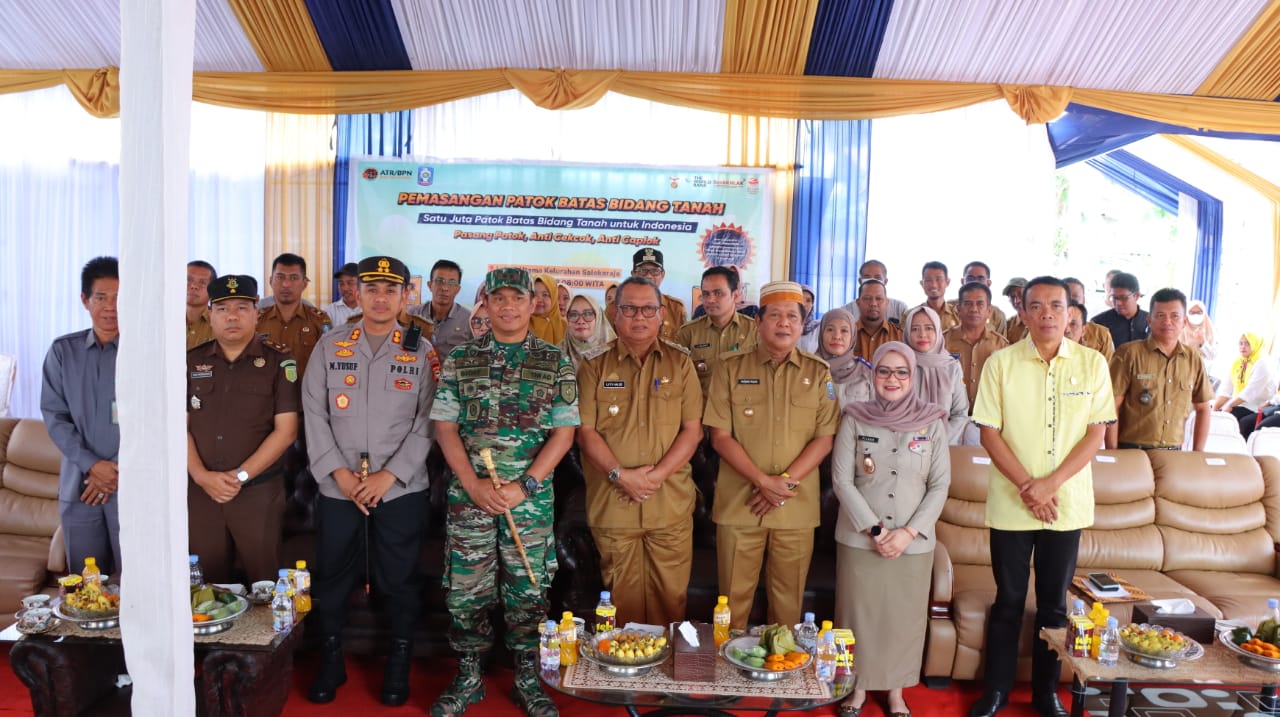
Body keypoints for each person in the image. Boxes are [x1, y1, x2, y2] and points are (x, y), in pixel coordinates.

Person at [430, 267, 579, 717]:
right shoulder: (460, 359)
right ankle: (470, 673)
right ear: (487, 305)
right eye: (500, 299)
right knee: (466, 589)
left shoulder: (555, 361)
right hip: (470, 498)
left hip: (528, 501)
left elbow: (564, 434)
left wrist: (525, 485)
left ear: (533, 304)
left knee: (529, 588)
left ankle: (528, 676)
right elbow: (445, 428)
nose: (509, 306)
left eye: (518, 298)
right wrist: (473, 484)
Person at [967, 276, 1115, 717]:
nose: (1047, 313)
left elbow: (1096, 433)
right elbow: (988, 432)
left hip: (1065, 506)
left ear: (1071, 312)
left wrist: (1049, 486)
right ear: (1024, 312)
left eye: (1056, 305)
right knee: (1008, 601)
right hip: (1012, 505)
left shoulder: (1092, 364)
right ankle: (995, 692)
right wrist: (1028, 488)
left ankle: (1046, 693)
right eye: (1037, 306)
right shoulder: (1001, 363)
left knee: (1054, 605)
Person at [302, 256, 439, 706]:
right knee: (332, 578)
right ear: (355, 293)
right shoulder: (329, 345)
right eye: (372, 289)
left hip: (399, 488)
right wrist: (338, 473)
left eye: (390, 291)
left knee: (398, 579)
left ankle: (397, 666)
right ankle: (331, 660)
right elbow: (314, 413)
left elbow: (430, 420)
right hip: (336, 486)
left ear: (405, 296)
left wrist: (389, 475)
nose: (380, 299)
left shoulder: (421, 349)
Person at [705, 281, 840, 628]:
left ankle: (781, 672)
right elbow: (720, 436)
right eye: (776, 315)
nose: (784, 323)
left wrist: (781, 485)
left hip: (794, 508)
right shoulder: (730, 368)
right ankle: (727, 671)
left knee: (788, 602)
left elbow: (824, 439)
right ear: (758, 322)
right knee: (731, 601)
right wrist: (762, 482)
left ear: (802, 324)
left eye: (792, 317)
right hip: (740, 503)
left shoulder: (818, 372)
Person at [832, 342, 951, 717]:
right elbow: (841, 481)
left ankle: (897, 692)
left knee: (903, 620)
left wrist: (908, 532)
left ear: (912, 376)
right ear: (872, 375)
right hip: (859, 540)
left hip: (913, 544)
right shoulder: (854, 417)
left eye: (901, 371)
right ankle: (857, 688)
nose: (892, 379)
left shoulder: (932, 420)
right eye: (884, 370)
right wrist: (877, 531)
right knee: (858, 617)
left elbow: (940, 485)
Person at [576, 277, 703, 626]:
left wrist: (656, 477)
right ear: (614, 314)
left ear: (661, 314)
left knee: (671, 598)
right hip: (614, 504)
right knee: (622, 601)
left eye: (648, 308)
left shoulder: (680, 364)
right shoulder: (593, 366)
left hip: (670, 503)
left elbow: (693, 430)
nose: (638, 316)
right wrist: (621, 475)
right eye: (629, 308)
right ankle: (626, 676)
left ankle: (663, 678)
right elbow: (585, 432)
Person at [186, 274, 298, 584]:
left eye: (242, 307)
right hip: (201, 492)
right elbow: (179, 428)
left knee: (266, 584)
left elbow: (287, 431)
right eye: (222, 308)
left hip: (257, 492)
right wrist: (200, 476)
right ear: (210, 314)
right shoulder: (191, 362)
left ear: (256, 313)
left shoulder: (279, 362)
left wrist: (240, 477)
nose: (232, 316)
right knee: (206, 587)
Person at [41, 257, 123, 576]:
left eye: (119, 297)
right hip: (81, 486)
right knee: (87, 588)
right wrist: (94, 466)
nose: (110, 307)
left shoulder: (145, 353)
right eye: (101, 297)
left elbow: (152, 421)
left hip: (130, 485)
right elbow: (55, 416)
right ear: (85, 300)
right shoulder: (63, 352)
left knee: (139, 587)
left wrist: (115, 470)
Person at [1106, 288, 1212, 451]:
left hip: (1174, 453)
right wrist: (1112, 452)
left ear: (1184, 322)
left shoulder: (1193, 358)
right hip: (1132, 450)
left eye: (1175, 316)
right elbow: (1111, 407)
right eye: (1160, 315)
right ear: (1149, 320)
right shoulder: (1129, 354)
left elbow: (1203, 408)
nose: (1167, 322)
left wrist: (1198, 453)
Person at [676, 266, 759, 395]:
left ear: (735, 295)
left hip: (742, 411)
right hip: (703, 411)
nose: (710, 299)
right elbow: (678, 381)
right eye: (705, 294)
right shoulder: (688, 333)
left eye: (718, 293)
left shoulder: (755, 331)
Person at [256, 253, 332, 377]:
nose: (286, 284)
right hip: (266, 394)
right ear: (271, 281)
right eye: (280, 277)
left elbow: (329, 361)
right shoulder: (257, 320)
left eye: (293, 278)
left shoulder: (319, 320)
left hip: (304, 394)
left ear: (304, 283)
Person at [903, 306, 969, 444]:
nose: (922, 334)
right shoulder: (899, 365)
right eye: (915, 329)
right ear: (907, 332)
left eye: (929, 328)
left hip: (944, 445)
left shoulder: (952, 366)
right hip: (904, 445)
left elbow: (960, 414)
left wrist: (940, 440)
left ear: (938, 331)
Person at [945, 282, 1010, 414]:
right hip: (951, 417)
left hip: (988, 417)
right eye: (968, 303)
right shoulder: (943, 341)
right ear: (958, 310)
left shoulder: (1001, 345)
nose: (974, 309)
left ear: (989, 311)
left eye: (980, 304)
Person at [1212, 333, 1279, 436]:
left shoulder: (1263, 363)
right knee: (1215, 415)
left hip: (1257, 407)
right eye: (1241, 343)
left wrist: (1229, 406)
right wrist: (1214, 409)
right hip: (1241, 404)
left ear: (1255, 344)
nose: (1243, 347)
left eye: (1247, 344)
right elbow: (1226, 389)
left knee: (1232, 420)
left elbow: (1249, 393)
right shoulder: (1238, 362)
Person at [615, 249, 687, 340]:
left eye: (655, 271)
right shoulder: (615, 307)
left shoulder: (676, 309)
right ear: (633, 274)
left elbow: (682, 347)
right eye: (642, 270)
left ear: (662, 275)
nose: (649, 276)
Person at [410, 259, 473, 357]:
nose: (445, 288)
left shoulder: (468, 320)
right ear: (430, 285)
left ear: (458, 289)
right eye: (440, 281)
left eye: (451, 283)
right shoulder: (413, 314)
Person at [815, 308, 870, 407]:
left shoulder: (866, 372)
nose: (837, 336)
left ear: (853, 335)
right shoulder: (807, 370)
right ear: (821, 333)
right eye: (830, 329)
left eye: (844, 330)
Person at [1091, 271, 1150, 348]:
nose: (1118, 303)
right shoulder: (1099, 323)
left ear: (1136, 296)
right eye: (1115, 298)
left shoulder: (1151, 321)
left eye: (1123, 298)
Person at [949, 262, 1007, 334]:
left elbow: (1002, 344)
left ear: (988, 283)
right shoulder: (947, 308)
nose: (975, 282)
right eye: (970, 278)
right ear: (962, 281)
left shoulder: (998, 315)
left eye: (981, 279)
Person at [1063, 278, 1115, 360]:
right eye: (1065, 297)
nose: (1070, 302)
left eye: (1075, 297)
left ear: (1083, 300)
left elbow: (1107, 370)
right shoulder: (1047, 330)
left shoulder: (1101, 335)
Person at [853, 279, 904, 361]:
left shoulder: (900, 336)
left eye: (879, 298)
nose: (873, 303)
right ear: (858, 303)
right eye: (867, 298)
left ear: (887, 303)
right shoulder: (847, 334)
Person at [560, 293, 614, 367]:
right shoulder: (556, 353)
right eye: (574, 315)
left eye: (588, 314)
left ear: (598, 318)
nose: (580, 321)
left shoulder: (614, 353)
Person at [914, 261, 959, 331]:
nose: (933, 285)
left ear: (947, 282)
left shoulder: (958, 314)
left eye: (939, 279)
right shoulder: (912, 315)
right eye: (928, 280)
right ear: (921, 283)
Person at [529, 273, 567, 346]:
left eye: (545, 295)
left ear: (554, 297)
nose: (539, 299)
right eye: (534, 294)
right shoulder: (521, 324)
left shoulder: (565, 327)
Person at [185, 260, 216, 349]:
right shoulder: (163, 318)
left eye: (202, 282)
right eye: (188, 280)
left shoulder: (220, 322)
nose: (193, 286)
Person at [1180, 299, 1217, 368]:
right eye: (1192, 313)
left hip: (1201, 372)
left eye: (1199, 312)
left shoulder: (1209, 330)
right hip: (1181, 371)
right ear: (1187, 314)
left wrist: (1203, 342)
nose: (1195, 315)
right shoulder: (1180, 330)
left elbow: (1212, 356)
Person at [322, 262, 360, 327]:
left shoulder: (371, 310)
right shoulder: (328, 312)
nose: (345, 288)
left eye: (350, 283)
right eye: (341, 283)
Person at [1002, 278, 1028, 343]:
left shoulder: (1042, 320)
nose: (1017, 301)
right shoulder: (1008, 325)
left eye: (1021, 295)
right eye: (1012, 297)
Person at [797, 284, 821, 353]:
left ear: (812, 305)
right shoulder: (786, 325)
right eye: (800, 300)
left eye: (808, 301)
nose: (804, 304)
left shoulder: (819, 327)